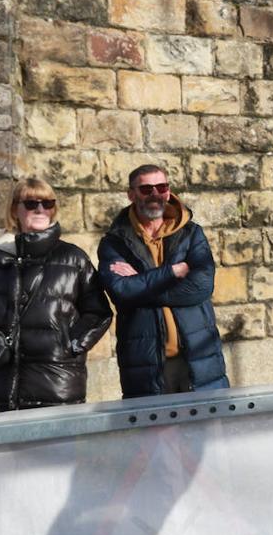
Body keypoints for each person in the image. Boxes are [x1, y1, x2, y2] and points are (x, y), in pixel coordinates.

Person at [0, 178, 112, 412]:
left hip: (57, 385)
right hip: (6, 388)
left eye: (47, 203)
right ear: (14, 210)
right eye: (31, 203)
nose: (40, 209)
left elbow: (98, 312)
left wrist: (71, 344)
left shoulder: (73, 258)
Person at [98, 164, 229, 398]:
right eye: (146, 189)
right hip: (146, 364)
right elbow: (121, 291)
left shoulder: (191, 234)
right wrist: (171, 273)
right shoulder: (114, 242)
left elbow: (201, 286)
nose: (155, 195)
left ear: (168, 191)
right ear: (131, 194)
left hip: (199, 358)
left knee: (209, 432)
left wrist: (142, 286)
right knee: (158, 435)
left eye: (162, 187)